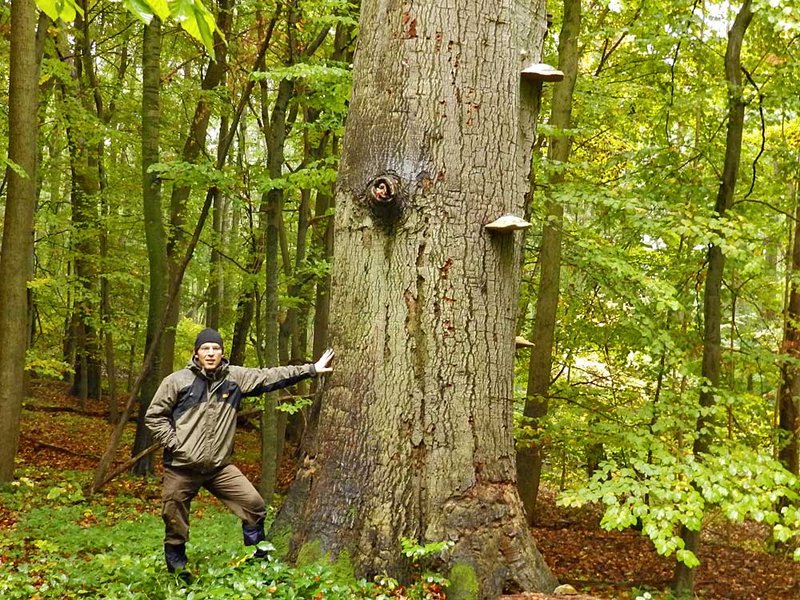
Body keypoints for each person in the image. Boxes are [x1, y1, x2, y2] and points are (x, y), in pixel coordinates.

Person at [145, 327, 334, 578]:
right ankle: (178, 570)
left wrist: (311, 369)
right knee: (174, 518)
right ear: (197, 353)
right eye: (205, 349)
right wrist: (176, 444)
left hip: (218, 467)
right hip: (181, 467)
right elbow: (154, 416)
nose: (211, 353)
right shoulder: (177, 381)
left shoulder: (235, 378)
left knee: (254, 505)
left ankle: (258, 559)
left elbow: (270, 377)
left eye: (215, 348)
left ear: (222, 353)